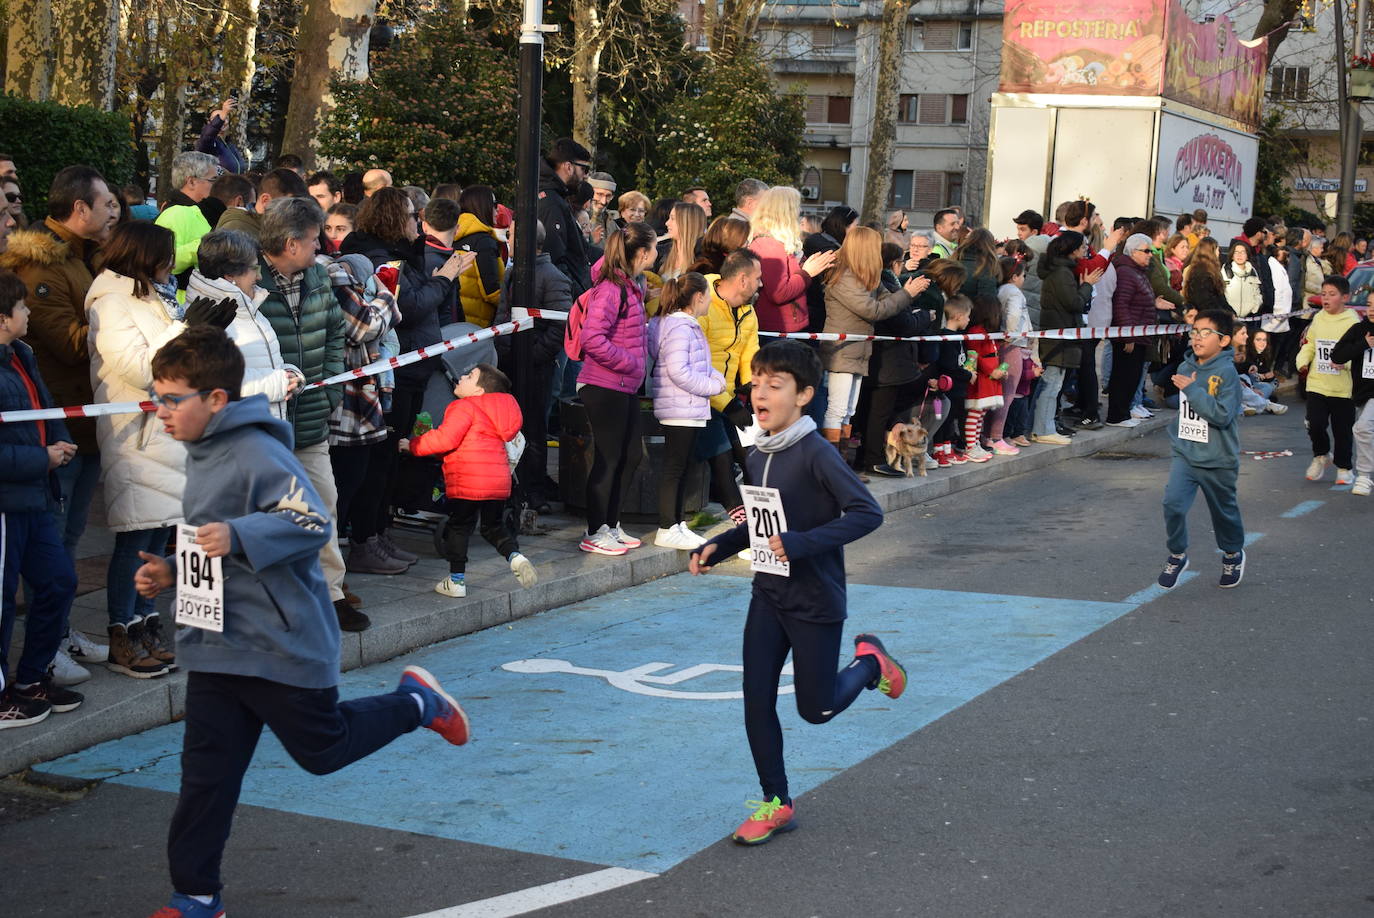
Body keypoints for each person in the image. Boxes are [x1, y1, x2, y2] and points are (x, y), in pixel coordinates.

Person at [133, 326, 470, 918]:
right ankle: (195, 896)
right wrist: (171, 571)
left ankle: (417, 703)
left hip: (278, 641)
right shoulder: (205, 450)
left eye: (171, 398)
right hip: (217, 645)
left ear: (215, 400)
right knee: (205, 779)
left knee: (323, 750)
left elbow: (311, 522)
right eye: (156, 397)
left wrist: (237, 534)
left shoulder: (256, 451)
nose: (159, 411)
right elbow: (216, 553)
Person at [687, 339, 899, 846]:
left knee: (816, 709)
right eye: (756, 382)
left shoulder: (817, 454)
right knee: (755, 700)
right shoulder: (758, 450)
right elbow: (764, 525)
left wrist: (802, 544)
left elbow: (868, 513)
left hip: (815, 601)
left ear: (804, 394)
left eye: (774, 385)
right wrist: (720, 543)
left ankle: (871, 664)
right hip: (768, 595)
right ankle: (776, 803)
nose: (760, 392)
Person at [87, 222, 211, 678]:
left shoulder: (154, 295)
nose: (170, 264)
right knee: (135, 539)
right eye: (164, 255)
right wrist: (183, 331)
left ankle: (146, 623)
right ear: (143, 256)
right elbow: (138, 368)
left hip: (166, 432)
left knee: (158, 535)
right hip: (134, 431)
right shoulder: (111, 300)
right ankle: (122, 631)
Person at [339, 187, 467, 576]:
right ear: (396, 220)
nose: (419, 221)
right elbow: (406, 309)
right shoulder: (381, 258)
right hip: (394, 368)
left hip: (412, 366)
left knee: (388, 461)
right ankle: (365, 538)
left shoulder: (404, 254)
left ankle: (378, 534)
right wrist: (444, 278)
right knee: (377, 462)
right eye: (413, 215)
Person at [253, 197, 363, 629]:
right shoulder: (247, 281)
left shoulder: (317, 275)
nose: (322, 247)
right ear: (290, 243)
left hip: (313, 415)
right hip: (266, 424)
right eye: (315, 239)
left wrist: (331, 383)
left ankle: (330, 593)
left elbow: (335, 329)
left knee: (324, 505)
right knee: (272, 516)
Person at [0, 268, 83, 728]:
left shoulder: (21, 355)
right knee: (1, 601)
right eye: (22, 307)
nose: (28, 312)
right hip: (7, 502)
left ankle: (31, 679)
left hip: (33, 497)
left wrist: (59, 443)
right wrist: (41, 457)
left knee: (58, 581)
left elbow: (48, 409)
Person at [399, 362, 535, 596]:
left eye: (470, 376)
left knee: (459, 527)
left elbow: (445, 440)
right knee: (493, 528)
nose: (461, 376)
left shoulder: (463, 407)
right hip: (498, 481)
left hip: (467, 481)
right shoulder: (501, 414)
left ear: (478, 391)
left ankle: (457, 581)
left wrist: (412, 445)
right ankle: (515, 556)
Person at [574, 222, 654, 556]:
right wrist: (630, 363)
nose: (655, 254)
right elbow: (593, 339)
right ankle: (595, 529)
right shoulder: (611, 289)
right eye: (652, 248)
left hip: (623, 386)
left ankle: (610, 523)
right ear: (642, 252)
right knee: (608, 458)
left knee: (631, 454)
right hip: (605, 384)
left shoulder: (632, 286)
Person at [1157, 309, 1246, 591]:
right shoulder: (1185, 367)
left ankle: (1232, 554)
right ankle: (1177, 554)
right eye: (1194, 332)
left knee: (1224, 513)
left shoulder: (1227, 373)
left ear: (1223, 341)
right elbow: (1187, 412)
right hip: (1186, 453)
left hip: (1218, 457)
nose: (1197, 338)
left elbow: (1221, 415)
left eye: (1206, 333)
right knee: (1172, 503)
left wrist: (1194, 390)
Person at [820, 226, 927, 449]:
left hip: (858, 351)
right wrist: (907, 293)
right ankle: (832, 463)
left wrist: (905, 293)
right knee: (837, 409)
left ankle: (842, 463)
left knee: (849, 410)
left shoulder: (865, 275)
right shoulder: (844, 277)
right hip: (842, 351)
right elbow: (874, 310)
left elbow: (889, 300)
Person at [187, 230, 300, 421]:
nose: (258, 277)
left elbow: (263, 363)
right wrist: (279, 383)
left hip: (261, 430)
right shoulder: (208, 319)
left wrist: (290, 375)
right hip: (236, 436)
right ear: (230, 275)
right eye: (254, 269)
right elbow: (210, 381)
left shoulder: (248, 306)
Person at [647, 273, 725, 549]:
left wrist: (715, 379)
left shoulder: (679, 325)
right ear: (698, 297)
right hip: (681, 406)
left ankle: (676, 523)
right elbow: (680, 371)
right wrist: (711, 386)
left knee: (680, 468)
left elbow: (695, 365)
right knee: (674, 469)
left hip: (684, 406)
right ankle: (667, 526)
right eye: (708, 297)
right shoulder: (681, 328)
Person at [1032, 232, 1096, 444]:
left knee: (1054, 384)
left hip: (1061, 334)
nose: (1085, 250)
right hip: (1059, 336)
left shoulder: (1062, 271)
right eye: (1083, 246)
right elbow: (1074, 303)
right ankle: (1043, 429)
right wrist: (1087, 285)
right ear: (1072, 249)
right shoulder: (1062, 273)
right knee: (1051, 385)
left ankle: (1045, 426)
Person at [1296, 275, 1361, 485]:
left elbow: (1358, 352)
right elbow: (1310, 344)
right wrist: (1303, 361)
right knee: (1315, 424)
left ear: (1344, 297)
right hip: (1317, 383)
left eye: (1332, 295)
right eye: (1323, 294)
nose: (1326, 299)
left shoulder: (1352, 322)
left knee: (1342, 431)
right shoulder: (1319, 318)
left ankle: (1344, 467)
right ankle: (1321, 455)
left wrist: (1346, 363)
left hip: (1343, 388)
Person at [748, 186, 835, 335]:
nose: (799, 211)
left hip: (782, 326)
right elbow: (779, 293)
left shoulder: (774, 241)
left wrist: (807, 265)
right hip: (777, 329)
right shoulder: (769, 245)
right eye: (796, 206)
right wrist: (807, 272)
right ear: (785, 211)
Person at [1105, 234, 1160, 428]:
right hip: (1129, 336)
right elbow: (1121, 305)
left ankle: (1124, 412)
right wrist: (1127, 335)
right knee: (1123, 376)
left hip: (1139, 334)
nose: (1150, 255)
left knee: (1132, 376)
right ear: (1133, 251)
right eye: (1146, 251)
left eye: (1151, 251)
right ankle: (1116, 416)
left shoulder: (1137, 271)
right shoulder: (1127, 272)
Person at [156, 152, 223, 283]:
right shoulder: (175, 214)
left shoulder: (201, 211)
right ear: (192, 182)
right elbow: (162, 262)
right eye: (213, 180)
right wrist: (206, 246)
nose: (217, 185)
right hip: (183, 299)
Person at [538, 138, 594, 296]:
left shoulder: (555, 197)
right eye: (584, 169)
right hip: (561, 299)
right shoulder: (551, 202)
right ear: (568, 167)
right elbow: (554, 257)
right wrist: (577, 296)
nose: (586, 176)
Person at [990, 255, 1033, 453]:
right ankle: (997, 437)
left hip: (1000, 343)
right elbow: (1014, 315)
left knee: (997, 392)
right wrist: (1011, 334)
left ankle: (989, 435)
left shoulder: (1000, 290)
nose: (1024, 278)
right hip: (1012, 345)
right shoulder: (1014, 292)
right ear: (1015, 276)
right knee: (1007, 394)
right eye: (1023, 275)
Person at [1330, 308, 1374, 496]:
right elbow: (1337, 355)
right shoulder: (1358, 330)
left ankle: (1364, 476)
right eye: (1370, 304)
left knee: (1362, 428)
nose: (1372, 309)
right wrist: (1363, 344)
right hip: (1363, 394)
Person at [452, 185, 504, 328]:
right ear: (482, 206)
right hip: (479, 325)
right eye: (494, 204)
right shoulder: (484, 241)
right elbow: (492, 291)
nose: (498, 209)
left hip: (457, 320)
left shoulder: (452, 234)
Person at [962, 296, 1006, 461]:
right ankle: (970, 446)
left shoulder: (987, 332)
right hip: (982, 378)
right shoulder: (976, 332)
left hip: (990, 378)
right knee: (975, 413)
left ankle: (976, 443)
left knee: (982, 413)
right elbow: (976, 357)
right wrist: (991, 371)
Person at [216, 168, 308, 241]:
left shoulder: (274, 229)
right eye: (289, 205)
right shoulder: (237, 231)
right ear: (266, 200)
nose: (295, 213)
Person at [195, 98, 248, 175]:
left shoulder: (230, 145)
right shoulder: (208, 142)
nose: (222, 121)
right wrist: (222, 115)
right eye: (215, 119)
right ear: (209, 123)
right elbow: (208, 135)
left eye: (225, 118)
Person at [657, 201, 707, 281]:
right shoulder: (661, 251)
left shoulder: (703, 258)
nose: (667, 223)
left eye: (672, 219)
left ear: (687, 223)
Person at [1182, 237, 1229, 313]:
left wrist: (1230, 312)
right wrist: (1223, 314)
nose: (1218, 253)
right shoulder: (1200, 274)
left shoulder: (1212, 271)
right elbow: (1204, 301)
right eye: (1217, 250)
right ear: (1210, 252)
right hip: (1206, 317)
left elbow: (1221, 298)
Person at [1222, 242, 1262, 317]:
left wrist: (1255, 308)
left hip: (1249, 318)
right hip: (1229, 317)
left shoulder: (1253, 272)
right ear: (1232, 256)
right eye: (1236, 252)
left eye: (1243, 252)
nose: (1239, 255)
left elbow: (1258, 293)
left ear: (1247, 256)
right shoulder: (1225, 271)